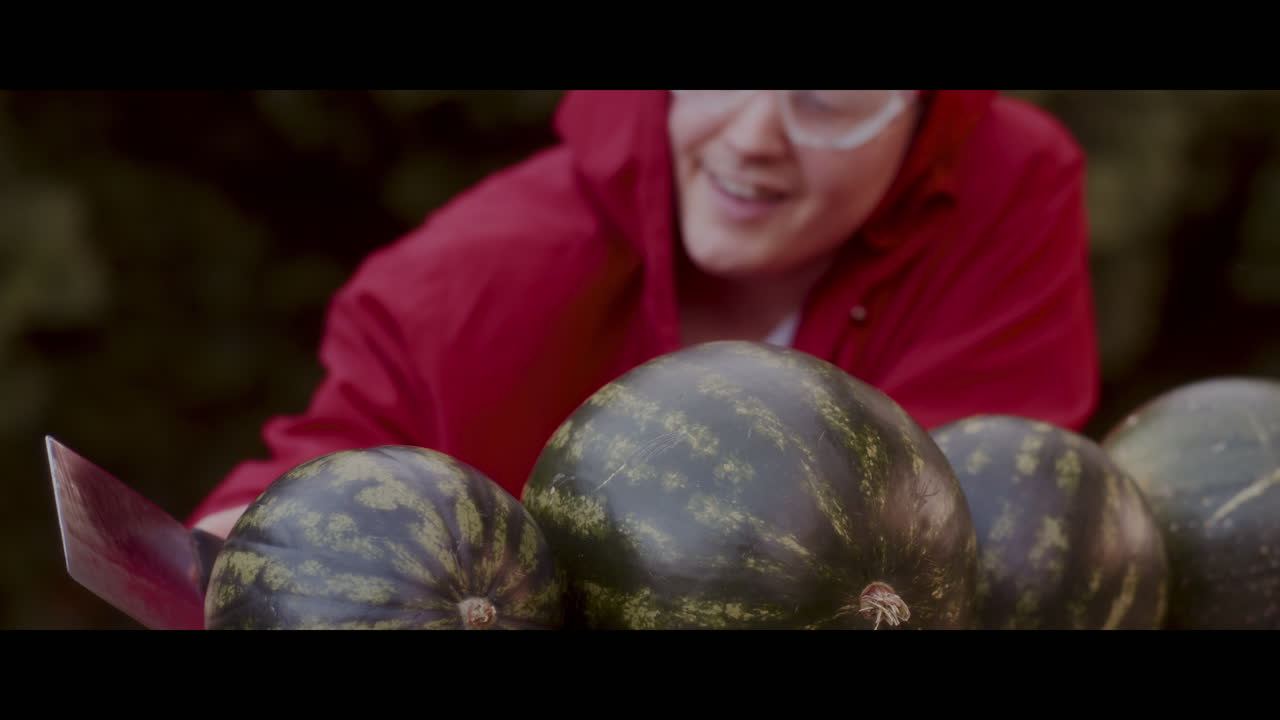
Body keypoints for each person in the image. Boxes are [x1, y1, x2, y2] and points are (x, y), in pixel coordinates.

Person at [189, 89, 1099, 538]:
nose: (751, 136)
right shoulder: (464, 284)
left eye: (831, 95)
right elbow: (334, 467)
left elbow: (979, 506)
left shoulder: (1006, 188)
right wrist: (251, 546)